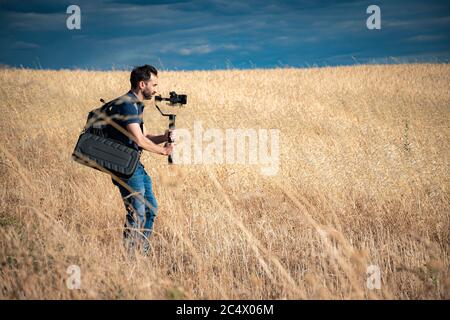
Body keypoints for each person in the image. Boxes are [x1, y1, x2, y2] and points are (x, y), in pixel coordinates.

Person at [108, 64, 173, 254]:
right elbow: (139, 140)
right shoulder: (127, 105)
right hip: (125, 165)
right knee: (137, 212)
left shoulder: (136, 106)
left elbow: (144, 136)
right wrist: (163, 152)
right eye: (154, 85)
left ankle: (141, 253)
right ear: (142, 84)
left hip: (135, 163)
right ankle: (129, 259)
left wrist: (164, 137)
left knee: (150, 209)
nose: (156, 89)